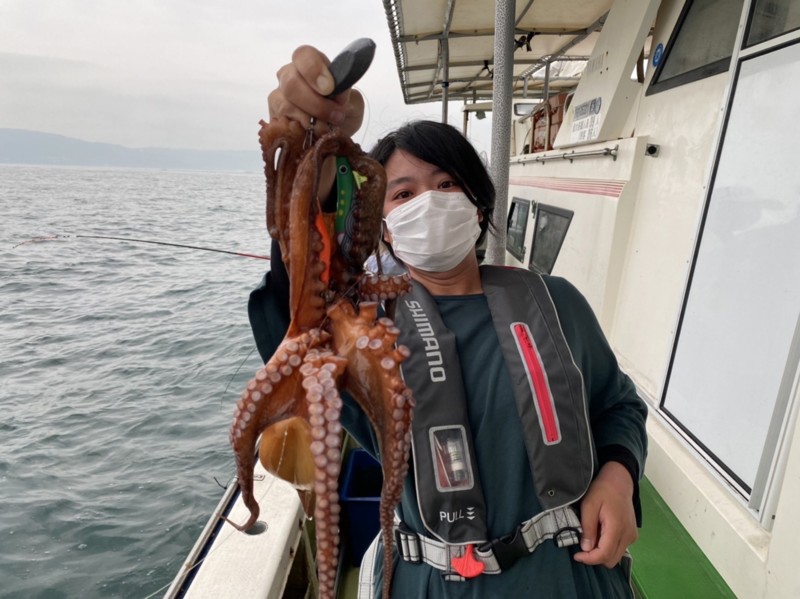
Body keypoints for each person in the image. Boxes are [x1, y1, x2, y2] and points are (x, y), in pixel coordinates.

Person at [248, 45, 648, 599]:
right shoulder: (366, 336)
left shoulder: (556, 304)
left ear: (478, 206)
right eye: (404, 194)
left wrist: (618, 476)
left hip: (571, 575)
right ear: (383, 227)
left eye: (446, 185)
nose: (430, 202)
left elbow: (618, 405)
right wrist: (305, 170)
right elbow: (293, 321)